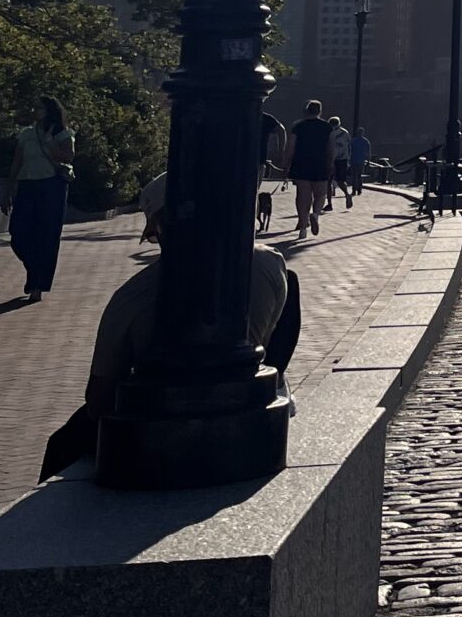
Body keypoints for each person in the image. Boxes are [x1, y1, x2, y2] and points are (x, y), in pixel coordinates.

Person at [37, 171, 298, 478]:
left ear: (162, 228)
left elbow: (98, 400)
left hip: (164, 430)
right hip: (254, 407)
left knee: (61, 445)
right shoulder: (268, 264)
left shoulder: (131, 299)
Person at [7, 95, 75, 301]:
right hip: (28, 185)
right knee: (18, 234)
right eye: (35, 108)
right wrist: (8, 190)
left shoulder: (63, 133)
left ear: (50, 111)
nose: (36, 112)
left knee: (47, 236)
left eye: (40, 108)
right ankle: (35, 270)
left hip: (52, 185)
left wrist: (50, 143)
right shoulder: (26, 134)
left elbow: (68, 157)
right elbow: (17, 162)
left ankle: (38, 284)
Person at [287, 99, 332, 237]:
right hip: (320, 163)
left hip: (301, 163)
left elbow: (291, 147)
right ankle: (316, 214)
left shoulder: (298, 126)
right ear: (320, 111)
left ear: (306, 111)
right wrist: (331, 164)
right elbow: (331, 148)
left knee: (302, 196)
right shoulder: (327, 127)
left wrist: (286, 163)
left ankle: (303, 227)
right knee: (321, 194)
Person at [326, 115, 351, 210]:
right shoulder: (345, 132)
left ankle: (329, 203)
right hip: (343, 159)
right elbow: (349, 146)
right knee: (341, 181)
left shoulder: (329, 132)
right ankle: (347, 194)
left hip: (331, 159)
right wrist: (348, 159)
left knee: (328, 182)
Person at [346, 123, 372, 200]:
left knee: (354, 176)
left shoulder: (353, 141)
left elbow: (349, 150)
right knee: (359, 175)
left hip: (353, 160)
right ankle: (359, 189)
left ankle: (354, 190)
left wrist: (348, 159)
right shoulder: (366, 141)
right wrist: (368, 161)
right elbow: (368, 152)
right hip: (361, 160)